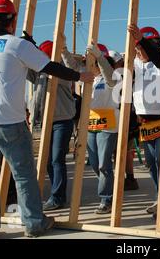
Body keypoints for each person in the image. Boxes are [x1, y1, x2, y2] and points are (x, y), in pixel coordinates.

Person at [0, 0, 94, 239]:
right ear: (13, 19)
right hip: (7, 119)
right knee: (23, 172)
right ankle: (34, 223)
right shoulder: (16, 45)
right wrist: (80, 76)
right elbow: (50, 67)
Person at [64, 42, 120, 214]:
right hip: (91, 124)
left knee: (104, 163)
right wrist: (63, 51)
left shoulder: (113, 77)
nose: (88, 65)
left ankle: (106, 198)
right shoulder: (90, 78)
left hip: (107, 125)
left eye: (92, 62)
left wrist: (99, 57)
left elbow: (108, 75)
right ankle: (108, 186)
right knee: (95, 163)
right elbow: (72, 67)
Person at [27, 40, 76, 211]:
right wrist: (27, 46)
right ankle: (55, 195)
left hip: (62, 121)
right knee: (47, 160)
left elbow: (74, 68)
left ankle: (58, 197)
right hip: (44, 120)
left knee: (57, 159)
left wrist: (64, 50)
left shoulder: (61, 72)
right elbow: (25, 68)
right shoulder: (39, 72)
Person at [127, 25, 160, 215]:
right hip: (144, 119)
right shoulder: (135, 63)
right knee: (151, 162)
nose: (139, 52)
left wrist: (146, 42)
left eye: (142, 48)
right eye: (137, 49)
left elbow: (159, 54)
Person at [108, 50, 139, 191]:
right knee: (120, 150)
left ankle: (128, 179)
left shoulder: (122, 75)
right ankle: (126, 178)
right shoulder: (122, 74)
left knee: (124, 150)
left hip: (126, 116)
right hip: (120, 115)